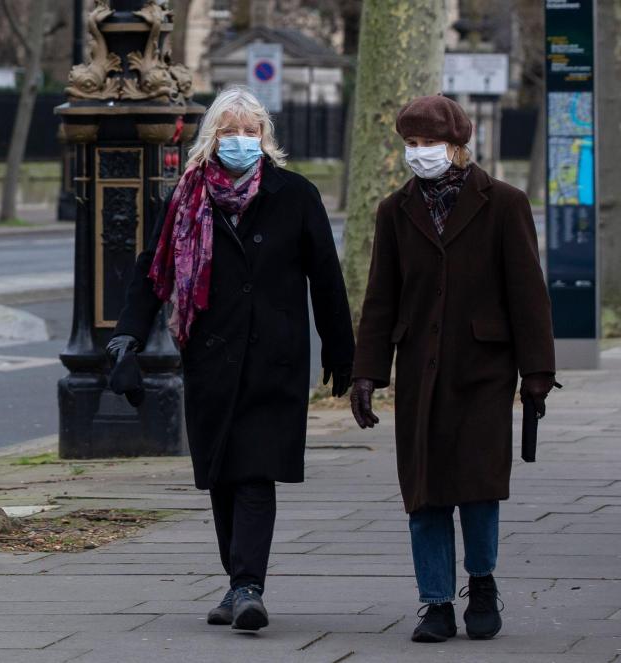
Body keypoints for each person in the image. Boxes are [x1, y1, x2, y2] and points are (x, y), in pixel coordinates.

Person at [107, 86, 355, 631]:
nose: (241, 140)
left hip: (275, 359)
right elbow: (154, 275)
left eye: (251, 131)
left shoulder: (295, 194)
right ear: (211, 137)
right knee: (221, 473)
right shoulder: (185, 199)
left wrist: (343, 352)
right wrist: (126, 340)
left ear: (265, 138)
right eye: (229, 130)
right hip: (210, 357)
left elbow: (327, 280)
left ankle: (248, 585)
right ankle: (236, 581)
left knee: (255, 473)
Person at [349, 95, 558, 643]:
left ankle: (481, 582)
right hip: (420, 366)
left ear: (458, 146)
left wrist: (537, 370)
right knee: (424, 488)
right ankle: (435, 601)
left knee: (478, 484)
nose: (418, 154)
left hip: (483, 369)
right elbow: (380, 298)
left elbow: (528, 292)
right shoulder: (395, 211)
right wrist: (366, 372)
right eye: (410, 145)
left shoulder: (504, 203)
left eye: (429, 144)